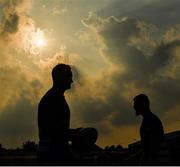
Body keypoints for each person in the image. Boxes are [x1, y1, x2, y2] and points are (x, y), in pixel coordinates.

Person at [37, 64, 98, 165]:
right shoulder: (51, 99)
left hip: (56, 153)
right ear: (59, 77)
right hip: (51, 156)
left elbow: (58, 129)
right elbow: (52, 131)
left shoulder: (57, 98)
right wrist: (77, 137)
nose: (71, 80)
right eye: (69, 76)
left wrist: (75, 132)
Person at [133, 94, 165, 165]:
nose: (134, 107)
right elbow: (147, 147)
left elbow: (153, 146)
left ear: (143, 105)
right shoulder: (149, 119)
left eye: (136, 104)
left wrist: (143, 161)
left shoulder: (150, 120)